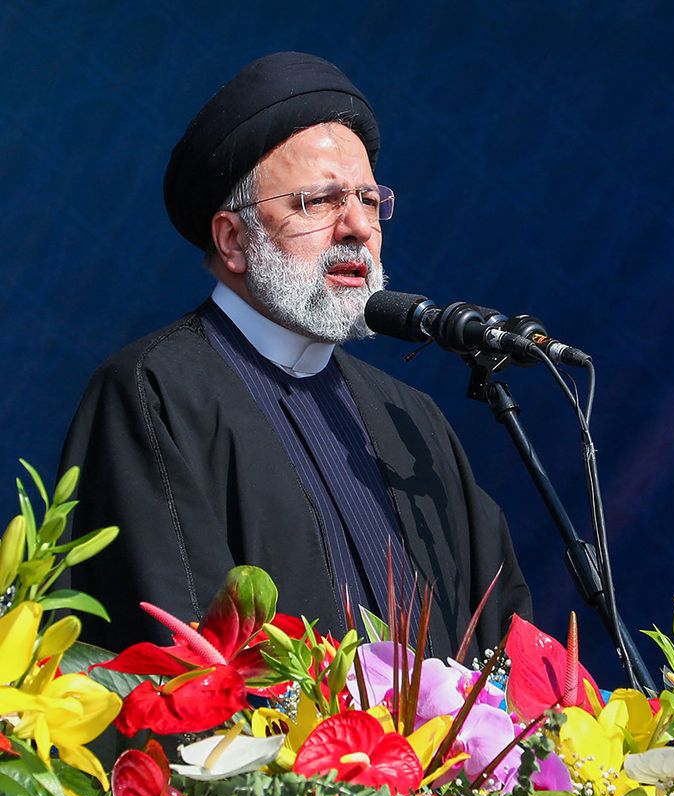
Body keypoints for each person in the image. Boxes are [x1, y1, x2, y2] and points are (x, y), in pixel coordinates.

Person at [59, 52, 530, 658]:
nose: (357, 226)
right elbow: (175, 659)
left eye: (367, 198)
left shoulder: (410, 419)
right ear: (233, 240)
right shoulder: (155, 393)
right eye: (319, 202)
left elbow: (501, 643)